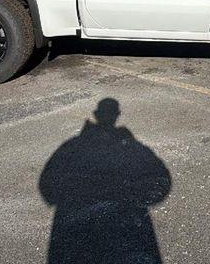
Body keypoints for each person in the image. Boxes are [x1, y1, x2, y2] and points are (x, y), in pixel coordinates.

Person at [39, 98, 171, 264]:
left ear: (96, 114)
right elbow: (160, 175)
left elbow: (47, 184)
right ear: (117, 115)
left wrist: (62, 199)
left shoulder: (72, 145)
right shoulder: (129, 145)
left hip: (78, 225)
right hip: (121, 224)